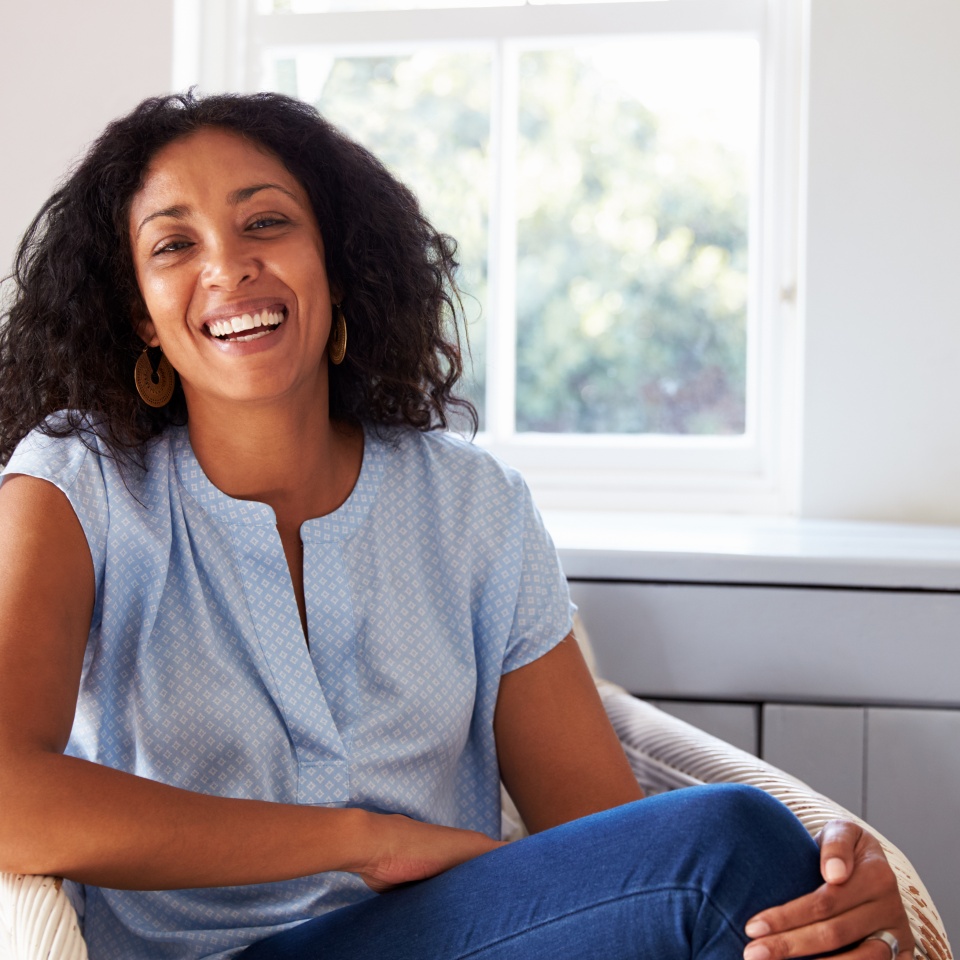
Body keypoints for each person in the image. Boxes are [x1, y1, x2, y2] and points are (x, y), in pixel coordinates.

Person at [0, 91, 909, 960]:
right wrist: (362, 841)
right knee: (732, 848)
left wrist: (816, 885)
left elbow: (604, 842)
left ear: (338, 262)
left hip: (467, 936)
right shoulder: (79, 483)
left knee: (760, 873)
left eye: (266, 222)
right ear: (141, 319)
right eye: (173, 245)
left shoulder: (472, 505)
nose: (228, 266)